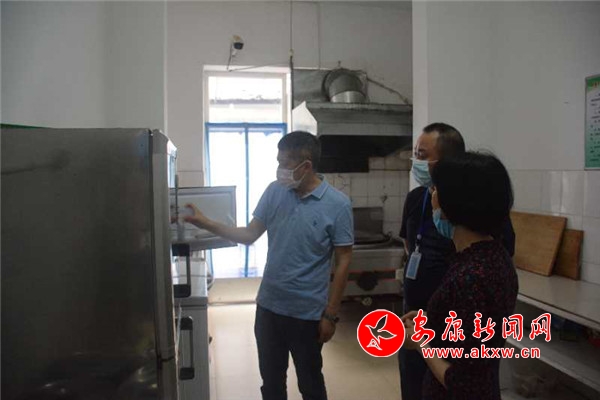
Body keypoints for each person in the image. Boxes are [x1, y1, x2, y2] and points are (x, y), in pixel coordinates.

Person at [183, 131, 353, 400]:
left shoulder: (338, 204)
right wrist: (205, 223)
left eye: (285, 163)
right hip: (269, 309)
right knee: (271, 384)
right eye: (278, 162)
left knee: (310, 384)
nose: (279, 169)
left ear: (306, 166)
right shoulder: (275, 192)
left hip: (307, 314)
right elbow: (249, 235)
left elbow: (343, 260)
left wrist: (331, 315)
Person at [398, 123, 515, 400]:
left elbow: (464, 382)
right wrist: (432, 319)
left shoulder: (469, 277)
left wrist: (422, 341)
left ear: (455, 204)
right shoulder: (488, 258)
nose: (433, 197)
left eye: (438, 192)